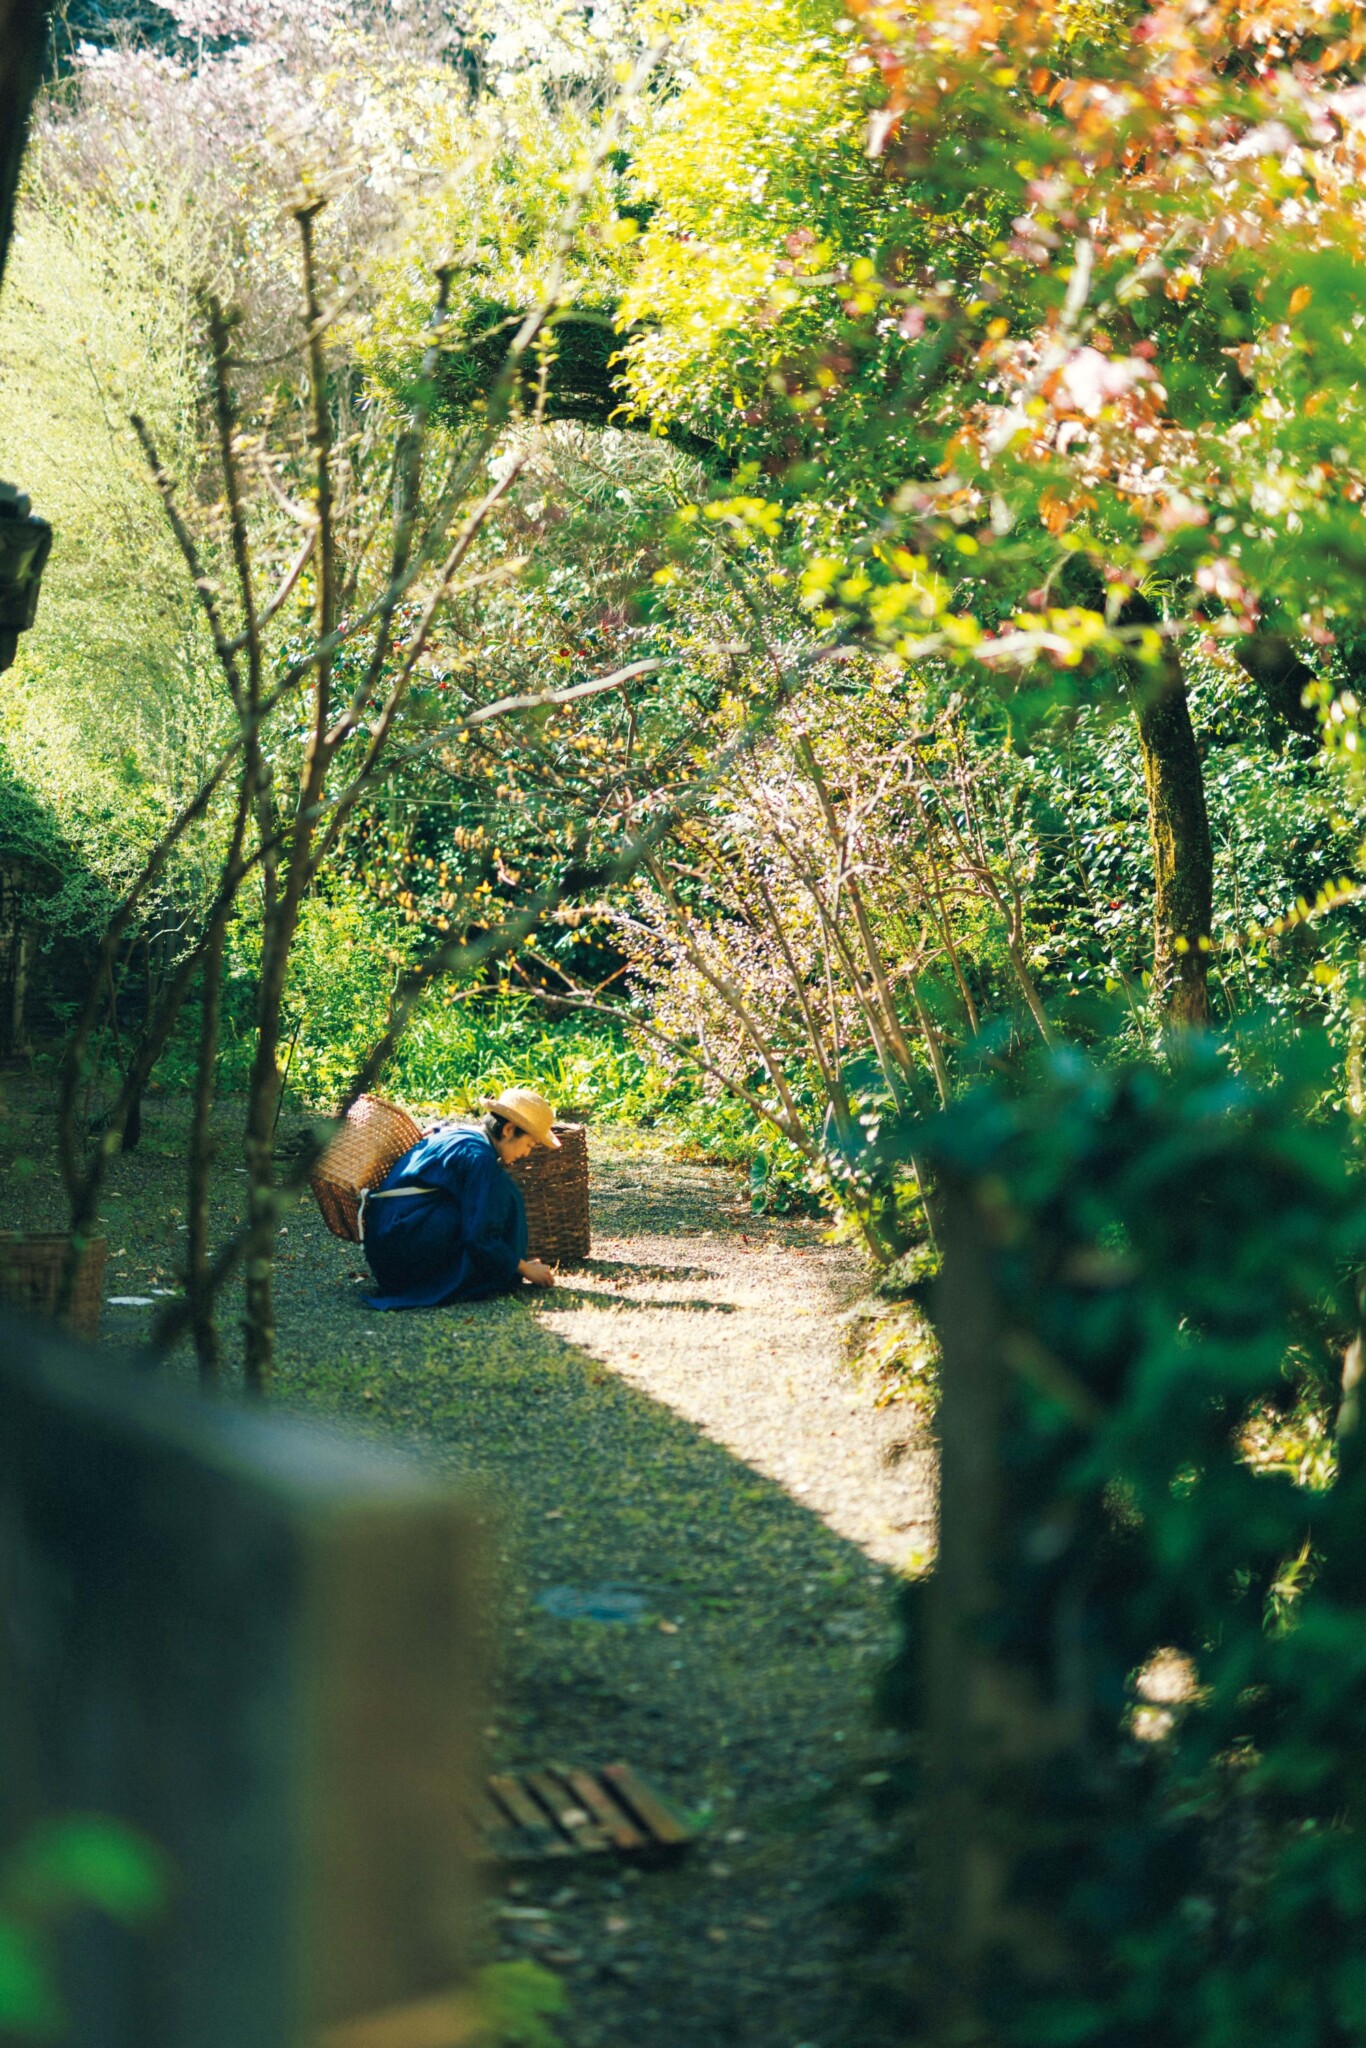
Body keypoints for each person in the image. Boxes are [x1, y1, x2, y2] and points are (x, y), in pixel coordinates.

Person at [360, 1088, 559, 1310]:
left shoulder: (465, 1134)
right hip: (399, 1249)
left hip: (386, 1239)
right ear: (508, 1129)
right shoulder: (479, 1158)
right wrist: (523, 1267)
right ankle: (493, 1268)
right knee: (501, 1192)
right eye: (529, 1144)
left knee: (494, 1193)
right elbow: (478, 1234)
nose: (527, 1153)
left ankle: (504, 1261)